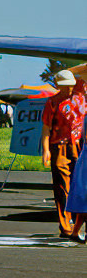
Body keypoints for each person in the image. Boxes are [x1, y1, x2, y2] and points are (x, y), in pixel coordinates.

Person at [40, 70, 85, 240]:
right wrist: (46, 150)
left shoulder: (80, 98)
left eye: (71, 86)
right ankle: (66, 226)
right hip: (59, 146)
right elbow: (46, 128)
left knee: (80, 185)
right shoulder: (52, 102)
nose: (69, 89)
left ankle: (78, 224)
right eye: (65, 86)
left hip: (79, 145)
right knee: (62, 186)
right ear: (58, 85)